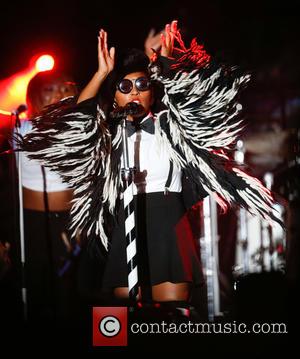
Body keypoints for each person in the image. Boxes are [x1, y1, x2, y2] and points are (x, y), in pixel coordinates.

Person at [19, 20, 281, 318]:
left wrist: (165, 63)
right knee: (122, 319)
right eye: (125, 86)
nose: (135, 92)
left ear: (152, 92)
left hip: (167, 219)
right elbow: (77, 124)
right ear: (115, 95)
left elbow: (188, 102)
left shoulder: (170, 126)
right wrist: (101, 73)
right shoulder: (109, 133)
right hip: (125, 220)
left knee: (171, 316)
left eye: (142, 85)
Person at [13, 69, 80, 324]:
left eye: (64, 88)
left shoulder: (80, 128)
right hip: (32, 223)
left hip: (69, 219)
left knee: (68, 290)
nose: (58, 95)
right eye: (49, 90)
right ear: (33, 97)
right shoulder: (21, 126)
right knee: (36, 287)